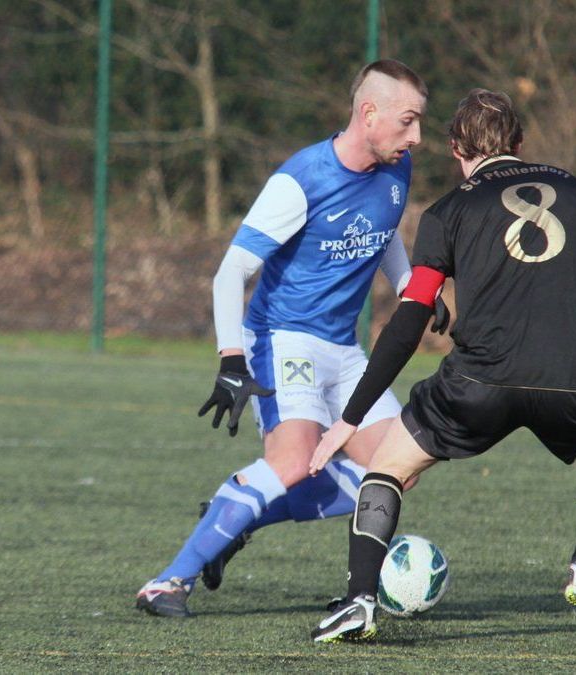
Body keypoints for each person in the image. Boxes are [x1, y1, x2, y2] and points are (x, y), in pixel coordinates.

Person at [308, 89, 576, 644]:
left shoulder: (448, 211)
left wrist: (349, 419)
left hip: (478, 383)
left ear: (456, 149)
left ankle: (358, 600)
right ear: (520, 144)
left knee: (386, 471)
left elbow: (410, 320)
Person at [136, 59, 448, 617]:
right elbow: (230, 272)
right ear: (368, 113)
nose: (417, 136)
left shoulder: (397, 166)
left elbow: (386, 234)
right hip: (284, 341)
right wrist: (231, 359)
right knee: (292, 462)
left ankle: (232, 517)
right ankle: (167, 582)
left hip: (345, 351)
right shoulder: (301, 179)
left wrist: (411, 286)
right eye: (408, 121)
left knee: (396, 467)